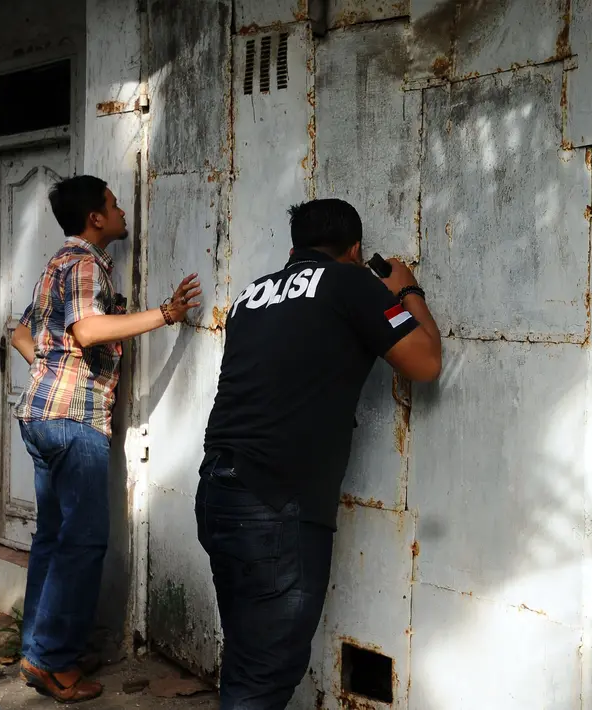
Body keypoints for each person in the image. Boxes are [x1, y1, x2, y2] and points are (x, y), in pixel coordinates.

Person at [197, 198, 442, 709]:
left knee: (247, 656)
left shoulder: (249, 296)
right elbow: (424, 362)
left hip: (220, 489)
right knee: (266, 672)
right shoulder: (352, 283)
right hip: (275, 505)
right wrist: (405, 291)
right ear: (354, 250)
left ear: (293, 247)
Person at [10, 175, 201, 703]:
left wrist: (53, 375)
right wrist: (166, 314)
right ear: (95, 218)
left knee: (53, 538)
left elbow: (23, 333)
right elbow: (88, 331)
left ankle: (37, 651)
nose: (121, 213)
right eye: (114, 205)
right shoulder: (87, 263)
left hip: (42, 415)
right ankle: (53, 663)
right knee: (85, 541)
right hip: (74, 421)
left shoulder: (57, 264)